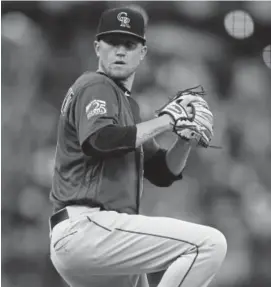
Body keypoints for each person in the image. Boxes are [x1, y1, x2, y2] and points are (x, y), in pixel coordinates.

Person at [49, 7, 227, 287]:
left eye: (129, 44)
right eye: (112, 42)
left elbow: (161, 172)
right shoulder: (95, 85)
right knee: (208, 244)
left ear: (142, 52)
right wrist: (168, 119)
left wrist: (185, 139)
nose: (120, 51)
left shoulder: (127, 106)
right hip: (88, 228)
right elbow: (100, 140)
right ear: (98, 47)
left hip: (101, 239)